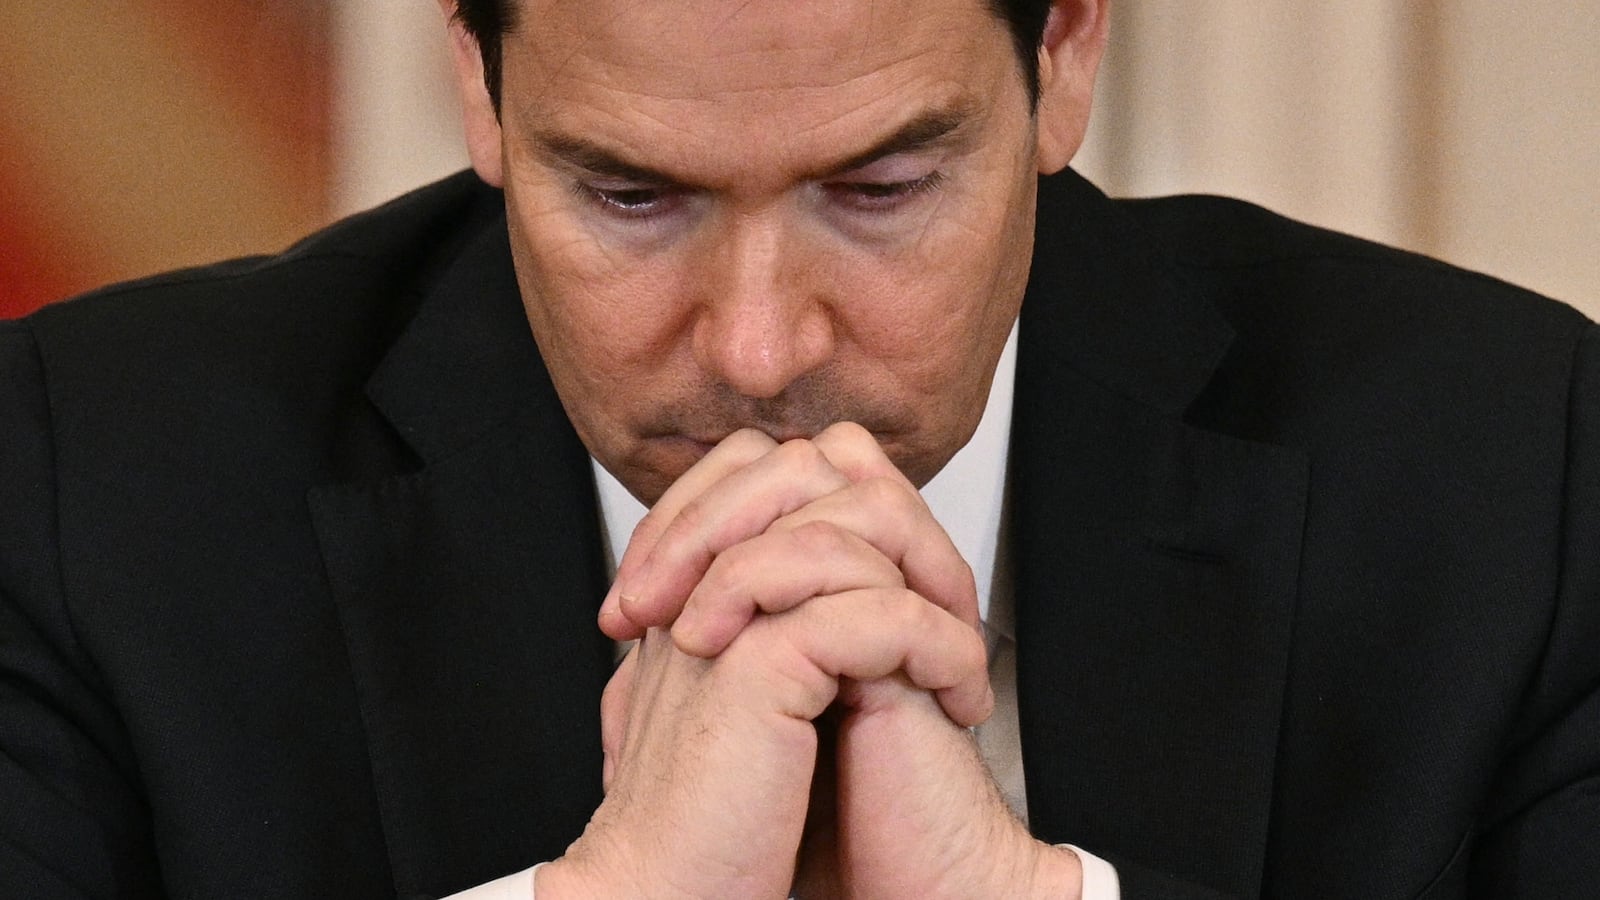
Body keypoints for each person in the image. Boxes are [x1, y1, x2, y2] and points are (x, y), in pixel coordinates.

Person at [1, 0, 1595, 896]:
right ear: (477, 90)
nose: (760, 350)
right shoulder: (83, 488)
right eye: (631, 198)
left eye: (882, 191)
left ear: (1065, 60)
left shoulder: (1523, 472)